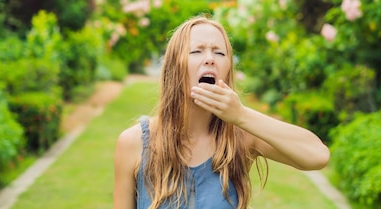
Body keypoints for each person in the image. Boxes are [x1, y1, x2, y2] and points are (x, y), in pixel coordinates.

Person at [113, 16, 330, 209]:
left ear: (227, 70)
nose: (210, 59)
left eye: (219, 52)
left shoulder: (241, 137)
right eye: (197, 51)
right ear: (174, 66)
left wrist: (242, 116)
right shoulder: (134, 143)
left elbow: (318, 156)